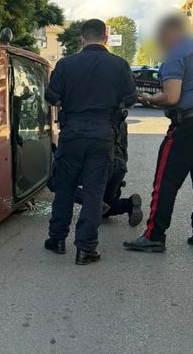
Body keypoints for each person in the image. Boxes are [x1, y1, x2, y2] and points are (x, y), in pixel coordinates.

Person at [124, 14, 193, 253]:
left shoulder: (176, 54)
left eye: (161, 37)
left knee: (166, 181)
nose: (161, 43)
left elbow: (172, 97)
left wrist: (150, 98)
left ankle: (155, 235)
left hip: (190, 125)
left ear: (171, 32)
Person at [43, 19, 137, 265]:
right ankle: (86, 249)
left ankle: (57, 239)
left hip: (72, 134)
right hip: (102, 135)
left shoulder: (65, 65)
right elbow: (129, 99)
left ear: (82, 38)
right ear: (105, 38)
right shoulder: (119, 65)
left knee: (64, 189)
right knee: (94, 192)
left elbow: (51, 97)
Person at [70, 109, 143, 225]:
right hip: (118, 166)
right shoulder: (121, 119)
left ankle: (95, 203)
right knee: (106, 208)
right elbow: (124, 149)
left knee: (56, 180)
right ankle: (128, 204)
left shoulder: (87, 113)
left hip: (98, 165)